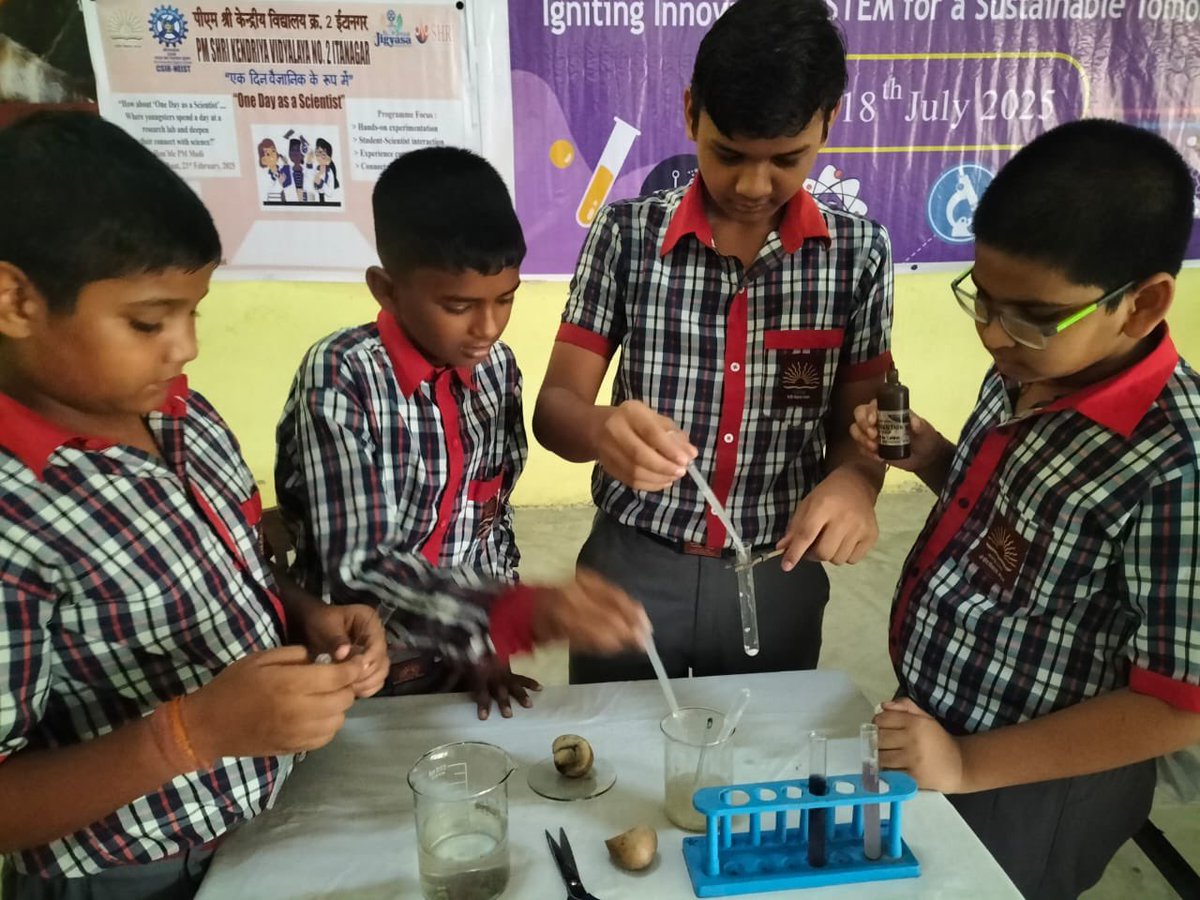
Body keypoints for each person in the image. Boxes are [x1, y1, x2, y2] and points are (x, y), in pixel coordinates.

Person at [0, 111, 389, 899]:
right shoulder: (14, 511)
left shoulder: (181, 411)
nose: (186, 347)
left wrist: (301, 612)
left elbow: (225, 563)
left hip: (265, 817)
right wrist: (192, 733)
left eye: (194, 311)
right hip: (132, 874)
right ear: (15, 300)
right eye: (148, 321)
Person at [852, 119, 1200, 899]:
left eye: (1032, 316)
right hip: (943, 733)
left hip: (1036, 780)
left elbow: (1179, 706)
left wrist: (970, 765)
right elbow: (1015, 527)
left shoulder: (1178, 463)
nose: (990, 335)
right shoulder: (1030, 371)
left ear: (1142, 304)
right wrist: (935, 457)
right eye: (983, 298)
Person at [534, 0, 894, 682]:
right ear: (691, 110)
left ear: (830, 120)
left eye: (787, 158)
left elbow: (864, 426)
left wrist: (856, 482)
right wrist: (601, 428)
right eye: (728, 154)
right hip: (632, 568)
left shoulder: (858, 255)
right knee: (615, 761)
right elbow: (556, 408)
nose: (754, 185)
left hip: (778, 569)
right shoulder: (626, 236)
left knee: (765, 766)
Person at [275, 146, 649, 718]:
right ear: (387, 289)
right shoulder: (342, 376)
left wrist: (486, 645)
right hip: (359, 670)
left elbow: (488, 522)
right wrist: (515, 613)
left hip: (454, 659)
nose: (488, 327)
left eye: (506, 299)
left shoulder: (498, 372)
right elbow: (358, 566)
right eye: (458, 305)